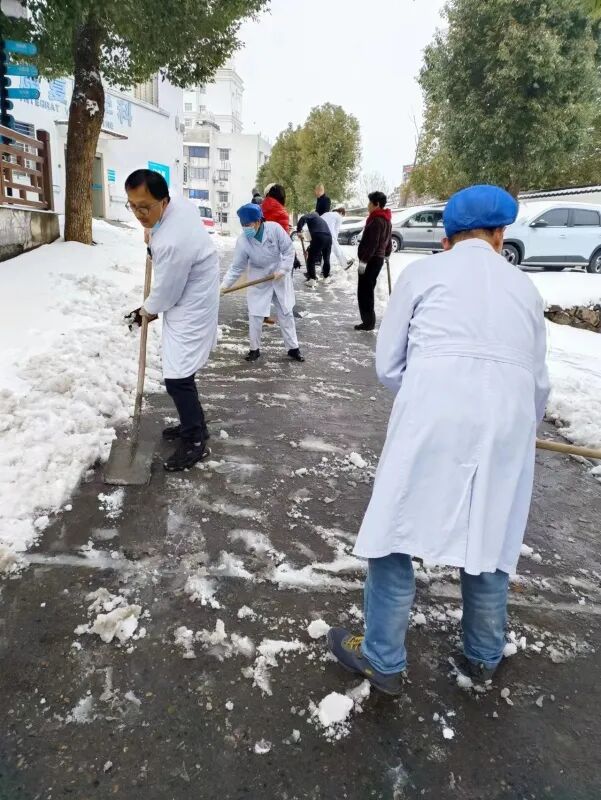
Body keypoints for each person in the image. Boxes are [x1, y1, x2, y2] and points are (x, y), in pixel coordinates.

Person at [327, 185, 550, 695]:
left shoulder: (423, 273)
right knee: (488, 536)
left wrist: (433, 393)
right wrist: (516, 430)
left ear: (447, 235)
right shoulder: (525, 288)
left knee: (395, 532)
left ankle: (383, 660)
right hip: (508, 423)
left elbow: (388, 365)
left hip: (433, 412)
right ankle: (483, 657)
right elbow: (538, 383)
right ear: (499, 234)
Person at [124, 169, 219, 472]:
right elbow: (159, 240)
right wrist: (151, 231)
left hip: (190, 302)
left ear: (163, 201)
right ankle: (193, 424)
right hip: (187, 291)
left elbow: (166, 293)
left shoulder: (173, 242)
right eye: (133, 205)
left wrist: (145, 312)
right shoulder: (174, 207)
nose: (139, 213)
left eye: (145, 207)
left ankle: (195, 440)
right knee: (180, 371)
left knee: (177, 377)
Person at [221, 203, 305, 363]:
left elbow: (288, 251)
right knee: (256, 315)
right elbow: (237, 268)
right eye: (243, 225)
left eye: (249, 224)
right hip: (259, 277)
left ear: (259, 221)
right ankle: (254, 350)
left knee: (286, 312)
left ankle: (293, 349)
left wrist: (283, 270)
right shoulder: (243, 241)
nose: (246, 228)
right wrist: (224, 286)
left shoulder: (274, 229)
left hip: (279, 274)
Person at [354, 191, 392, 331]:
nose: (368, 205)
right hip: (377, 259)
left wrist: (364, 261)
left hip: (371, 260)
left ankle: (368, 322)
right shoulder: (386, 220)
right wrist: (386, 254)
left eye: (370, 203)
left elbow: (372, 244)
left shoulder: (376, 220)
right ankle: (368, 321)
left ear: (376, 204)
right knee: (368, 290)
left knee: (364, 291)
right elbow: (387, 242)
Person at [262, 183, 302, 272]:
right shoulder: (281, 212)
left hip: (262, 253)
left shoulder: (261, 207)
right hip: (278, 256)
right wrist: (293, 256)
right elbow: (285, 239)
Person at [296, 211, 332, 281]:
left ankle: (312, 280)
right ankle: (326, 277)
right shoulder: (321, 221)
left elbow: (303, 218)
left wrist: (299, 231)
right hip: (329, 238)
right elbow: (314, 242)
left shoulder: (313, 215)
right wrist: (308, 249)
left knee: (311, 259)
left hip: (319, 236)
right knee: (326, 259)